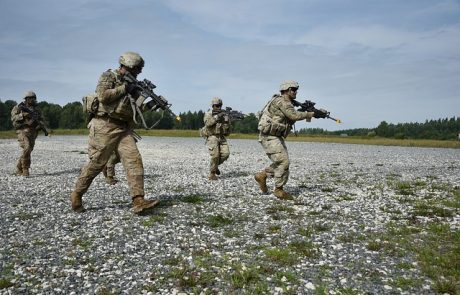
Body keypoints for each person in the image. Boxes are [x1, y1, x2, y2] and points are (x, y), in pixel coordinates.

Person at [70, 51, 159, 214]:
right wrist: (125, 88)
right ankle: (77, 194)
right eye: (137, 68)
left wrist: (150, 105)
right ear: (129, 65)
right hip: (104, 125)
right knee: (97, 163)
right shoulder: (109, 76)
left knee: (134, 159)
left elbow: (133, 111)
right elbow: (103, 96)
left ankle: (138, 199)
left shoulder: (134, 85)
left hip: (123, 128)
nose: (139, 71)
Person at [254, 81, 327, 200]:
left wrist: (312, 112)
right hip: (269, 136)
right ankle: (278, 190)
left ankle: (262, 175)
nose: (295, 92)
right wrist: (312, 114)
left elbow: (292, 114)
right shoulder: (282, 101)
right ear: (286, 90)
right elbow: (294, 116)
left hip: (276, 136)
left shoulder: (287, 102)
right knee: (284, 162)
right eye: (293, 89)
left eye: (296, 89)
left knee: (281, 162)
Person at [10, 91, 49, 177]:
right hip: (22, 130)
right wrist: (23, 115)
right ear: (26, 99)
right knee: (27, 148)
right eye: (31, 98)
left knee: (28, 151)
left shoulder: (37, 110)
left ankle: (18, 167)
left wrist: (41, 126)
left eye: (34, 98)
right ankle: (25, 169)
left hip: (33, 132)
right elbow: (13, 118)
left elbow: (42, 120)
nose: (33, 100)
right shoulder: (19, 107)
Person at [201, 97, 231, 180]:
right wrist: (217, 116)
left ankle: (215, 166)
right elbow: (208, 123)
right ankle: (212, 173)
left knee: (226, 154)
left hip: (222, 136)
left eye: (220, 106)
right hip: (212, 136)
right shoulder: (209, 114)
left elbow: (228, 127)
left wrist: (227, 119)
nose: (219, 107)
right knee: (215, 155)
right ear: (213, 106)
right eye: (217, 106)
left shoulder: (224, 114)